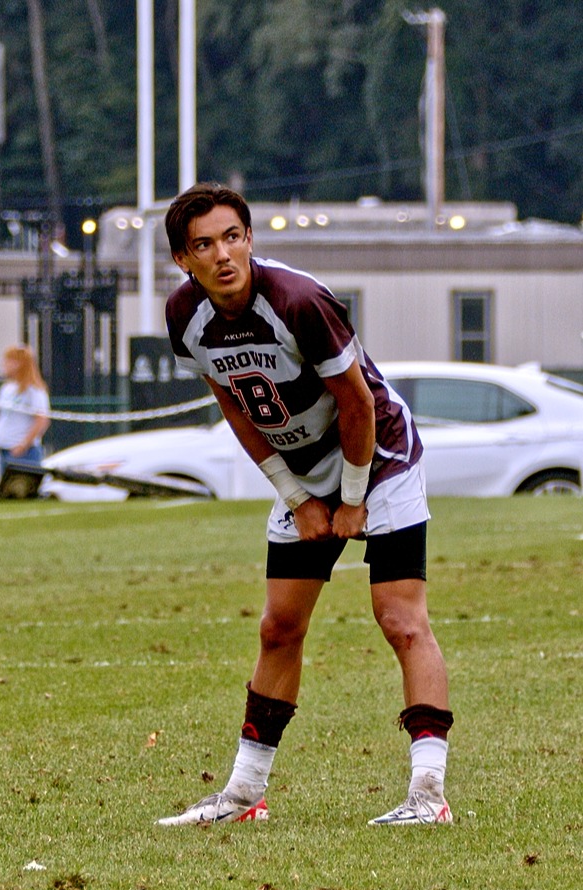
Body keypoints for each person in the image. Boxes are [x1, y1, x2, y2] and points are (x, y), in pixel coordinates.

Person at [157, 182, 453, 827]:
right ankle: (242, 796)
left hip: (380, 454)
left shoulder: (298, 300)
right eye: (204, 245)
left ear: (250, 239)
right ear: (185, 259)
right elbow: (233, 403)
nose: (223, 254)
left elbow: (357, 403)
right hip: (304, 469)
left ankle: (428, 796)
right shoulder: (184, 315)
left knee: (400, 619)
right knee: (278, 627)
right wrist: (295, 497)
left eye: (233, 236)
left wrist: (349, 502)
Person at [0, 344, 51, 476]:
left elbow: (42, 421)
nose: (3, 364)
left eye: (7, 361)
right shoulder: (6, 389)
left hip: (24, 453)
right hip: (3, 449)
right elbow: (1, 420)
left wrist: (23, 445)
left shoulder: (34, 391)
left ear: (18, 364)